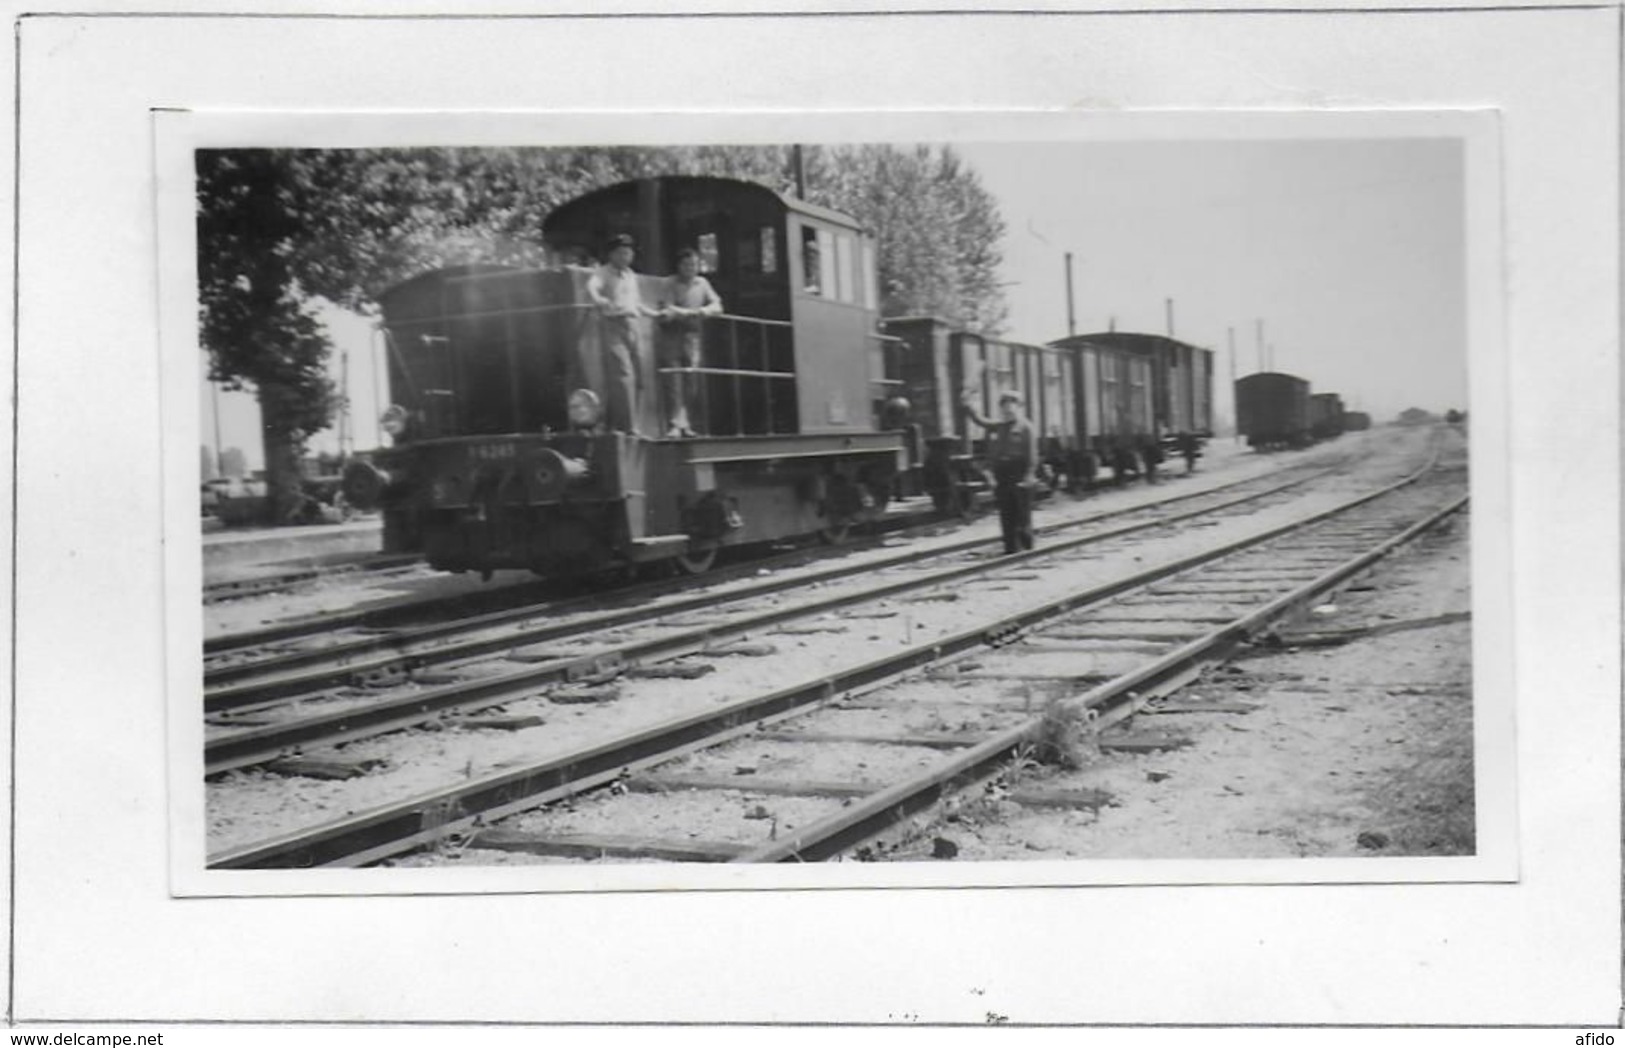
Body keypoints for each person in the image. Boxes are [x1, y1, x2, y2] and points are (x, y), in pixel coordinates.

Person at [586, 233, 654, 435]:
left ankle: (637, 422)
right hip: (613, 325)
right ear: (612, 255)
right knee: (623, 374)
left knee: (640, 375)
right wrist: (598, 299)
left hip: (633, 325)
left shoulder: (631, 275)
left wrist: (656, 313)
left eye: (629, 253)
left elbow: (637, 303)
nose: (626, 257)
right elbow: (592, 287)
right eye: (622, 253)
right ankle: (627, 426)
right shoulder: (602, 273)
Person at [656, 247, 724, 437]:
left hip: (693, 337)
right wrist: (683, 312)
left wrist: (703, 311)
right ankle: (675, 425)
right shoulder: (669, 282)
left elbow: (718, 305)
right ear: (678, 266)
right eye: (686, 264)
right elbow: (668, 308)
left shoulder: (702, 283)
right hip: (672, 336)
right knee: (674, 381)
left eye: (694, 264)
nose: (690, 268)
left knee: (691, 382)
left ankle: (685, 423)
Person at [962, 389, 1038, 555]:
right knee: (1006, 511)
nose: (1008, 410)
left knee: (1022, 513)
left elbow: (1032, 455)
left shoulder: (1026, 427)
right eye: (1004, 407)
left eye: (1011, 407)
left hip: (1020, 472)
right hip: (1002, 473)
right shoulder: (998, 426)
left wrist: (1029, 475)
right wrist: (969, 407)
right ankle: (1010, 549)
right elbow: (980, 421)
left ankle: (1027, 547)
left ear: (1018, 407)